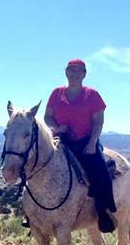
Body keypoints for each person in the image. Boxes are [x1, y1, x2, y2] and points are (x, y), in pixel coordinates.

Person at [44, 58, 116, 233]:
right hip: (61, 141)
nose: (74, 74)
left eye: (79, 71)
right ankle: (33, 213)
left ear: (84, 74)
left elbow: (98, 122)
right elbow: (48, 117)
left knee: (100, 173)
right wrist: (57, 127)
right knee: (38, 167)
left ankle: (104, 212)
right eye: (71, 70)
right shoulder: (56, 93)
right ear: (66, 72)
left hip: (86, 142)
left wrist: (92, 143)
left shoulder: (92, 95)